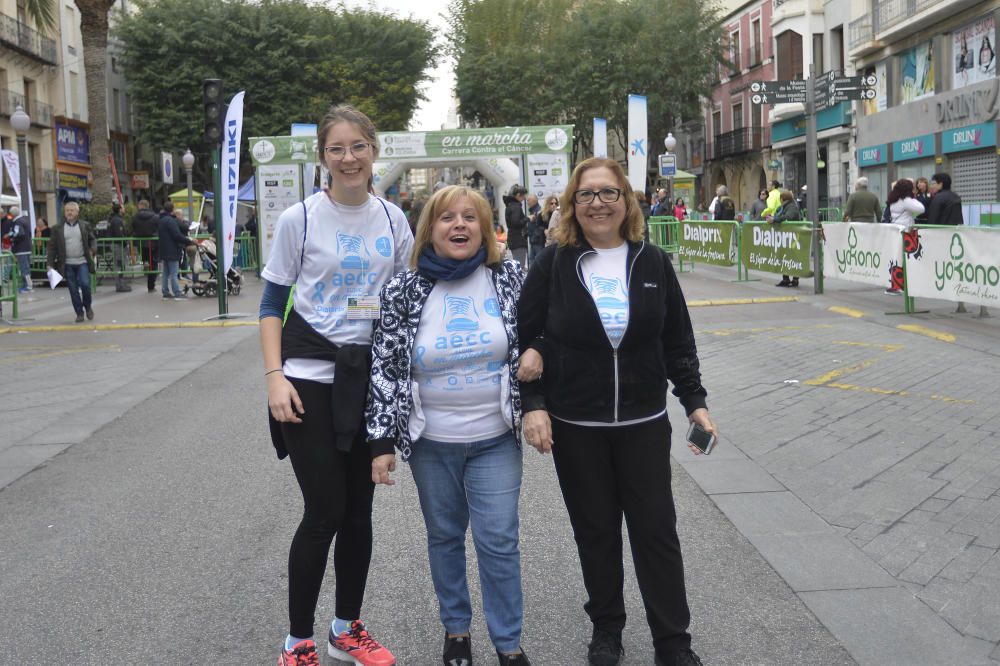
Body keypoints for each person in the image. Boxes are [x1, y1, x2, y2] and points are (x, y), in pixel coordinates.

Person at [517, 157, 715, 666]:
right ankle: (607, 629)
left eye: (608, 193)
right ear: (572, 206)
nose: (598, 203)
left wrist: (695, 402)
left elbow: (678, 339)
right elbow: (525, 337)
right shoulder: (554, 262)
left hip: (643, 425)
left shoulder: (652, 261)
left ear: (627, 201)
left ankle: (674, 642)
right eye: (587, 195)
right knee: (596, 532)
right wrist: (533, 405)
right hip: (576, 425)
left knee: (656, 534)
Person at [260, 104, 411, 666]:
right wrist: (275, 377)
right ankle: (297, 641)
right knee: (323, 510)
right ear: (323, 157)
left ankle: (346, 628)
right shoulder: (300, 219)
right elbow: (273, 302)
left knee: (359, 514)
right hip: (306, 378)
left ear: (375, 151)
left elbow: (399, 304)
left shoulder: (394, 221)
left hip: (365, 378)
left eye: (358, 147)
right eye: (336, 149)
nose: (348, 158)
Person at [367, 185, 538, 666]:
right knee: (444, 537)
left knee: (499, 540)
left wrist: (537, 363)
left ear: (485, 228)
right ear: (430, 230)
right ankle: (456, 631)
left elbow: (534, 334)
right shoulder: (404, 288)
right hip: (431, 443)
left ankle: (508, 644)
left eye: (470, 217)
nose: (459, 225)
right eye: (447, 218)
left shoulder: (507, 277)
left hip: (495, 439)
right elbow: (386, 365)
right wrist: (380, 440)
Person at [46, 202, 96, 323]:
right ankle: (79, 313)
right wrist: (50, 264)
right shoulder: (57, 228)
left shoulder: (85, 225)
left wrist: (92, 250)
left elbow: (92, 239)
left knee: (85, 285)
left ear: (77, 212)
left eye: (72, 210)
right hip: (67, 264)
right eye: (67, 210)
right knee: (73, 290)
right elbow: (52, 247)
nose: (69, 212)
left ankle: (88, 306)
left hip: (82, 261)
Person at [767, 190, 801, 288]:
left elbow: (788, 217)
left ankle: (795, 279)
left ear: (782, 199)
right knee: (784, 256)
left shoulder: (792, 207)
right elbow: (780, 215)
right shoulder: (783, 207)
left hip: (792, 235)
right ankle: (785, 278)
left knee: (793, 257)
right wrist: (773, 217)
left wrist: (774, 219)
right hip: (785, 235)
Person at [157, 202, 189, 300]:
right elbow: (176, 235)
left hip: (163, 249)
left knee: (166, 273)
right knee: (174, 273)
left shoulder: (161, 220)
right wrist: (188, 241)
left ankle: (165, 291)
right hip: (172, 250)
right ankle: (177, 292)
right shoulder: (171, 221)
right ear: (172, 210)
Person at [132, 199, 160, 293]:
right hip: (153, 243)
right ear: (148, 206)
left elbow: (133, 228)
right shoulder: (155, 217)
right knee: (154, 264)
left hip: (140, 243)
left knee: (146, 260)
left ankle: (145, 264)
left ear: (140, 206)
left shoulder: (135, 217)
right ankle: (151, 285)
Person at [6, 206, 33, 293]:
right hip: (26, 247)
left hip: (21, 249)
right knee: (26, 267)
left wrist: (10, 236)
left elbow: (18, 233)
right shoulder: (24, 220)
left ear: (12, 214)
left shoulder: (18, 222)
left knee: (24, 268)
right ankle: (26, 285)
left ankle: (28, 286)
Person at [503, 186, 530, 268]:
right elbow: (516, 222)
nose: (525, 198)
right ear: (518, 195)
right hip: (518, 239)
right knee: (519, 266)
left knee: (517, 264)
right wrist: (528, 218)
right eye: (524, 195)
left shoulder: (510, 205)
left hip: (513, 239)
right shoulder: (516, 206)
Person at [108, 202, 132, 292]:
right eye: (123, 208)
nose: (124, 209)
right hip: (118, 245)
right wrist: (125, 244)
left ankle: (121, 284)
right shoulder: (117, 220)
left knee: (119, 265)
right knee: (119, 265)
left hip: (116, 244)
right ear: (119, 210)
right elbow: (119, 234)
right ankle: (120, 285)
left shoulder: (113, 219)